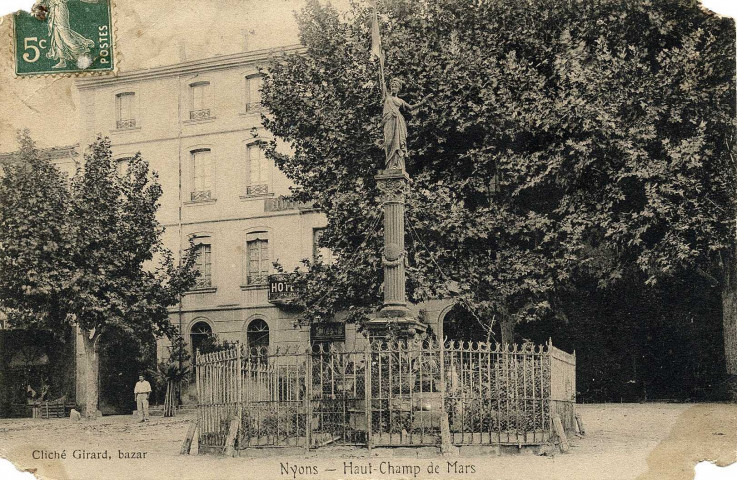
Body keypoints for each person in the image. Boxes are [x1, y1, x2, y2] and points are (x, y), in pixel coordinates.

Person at [32, 0, 95, 69]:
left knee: (64, 33)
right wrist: (37, 7)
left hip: (59, 8)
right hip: (53, 9)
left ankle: (81, 53)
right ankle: (62, 61)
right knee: (56, 35)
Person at [381, 78, 428, 170]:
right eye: (392, 86)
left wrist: (422, 102)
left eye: (396, 86)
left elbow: (410, 107)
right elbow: (381, 83)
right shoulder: (386, 97)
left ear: (399, 89)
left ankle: (397, 165)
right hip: (389, 121)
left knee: (397, 142)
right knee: (389, 142)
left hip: (398, 122)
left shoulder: (400, 101)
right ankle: (389, 165)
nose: (393, 87)